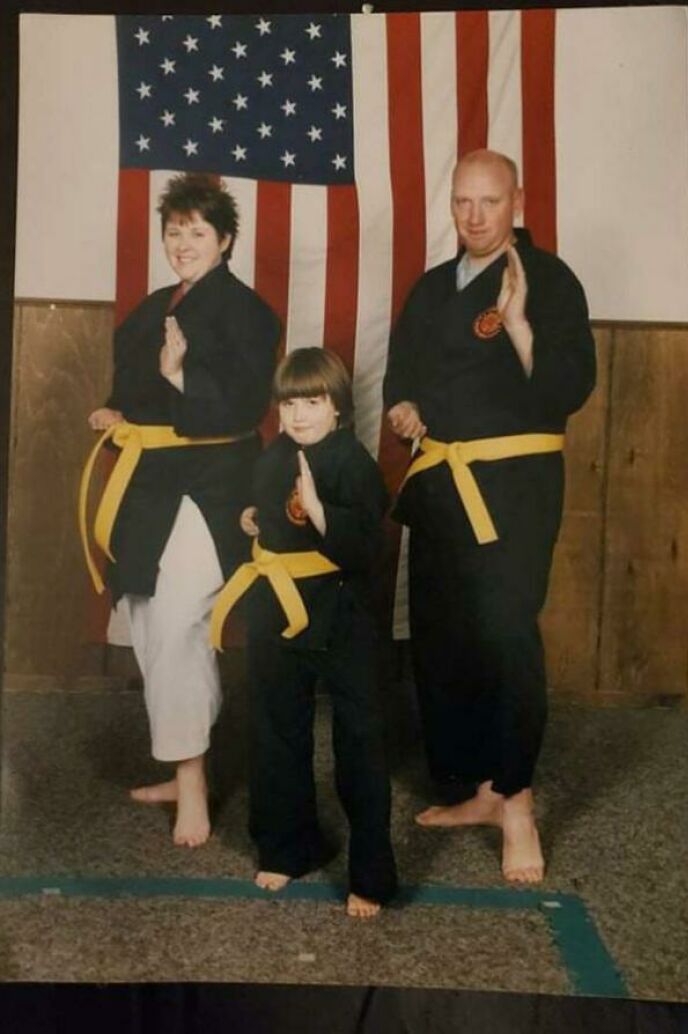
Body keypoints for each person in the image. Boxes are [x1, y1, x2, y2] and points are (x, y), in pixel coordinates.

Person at [383, 149, 596, 883]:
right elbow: (404, 374)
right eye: (462, 202)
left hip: (515, 484)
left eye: (490, 202)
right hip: (441, 476)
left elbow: (571, 387)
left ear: (518, 201)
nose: (474, 217)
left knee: (505, 633)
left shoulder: (551, 281)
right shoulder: (433, 288)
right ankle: (475, 786)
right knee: (442, 633)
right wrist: (405, 409)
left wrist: (518, 327)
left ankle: (517, 801)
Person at [82, 173, 280, 848]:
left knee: (175, 615)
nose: (184, 243)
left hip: (214, 483)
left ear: (225, 240)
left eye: (199, 232)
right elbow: (130, 384)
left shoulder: (249, 312)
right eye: (174, 232)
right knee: (143, 613)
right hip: (150, 478)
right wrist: (118, 408)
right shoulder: (153, 306)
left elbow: (246, 405)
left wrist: (180, 378)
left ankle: (192, 780)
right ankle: (181, 757)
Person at [210, 348, 398, 917]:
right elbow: (270, 518)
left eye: (312, 402)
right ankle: (287, 847)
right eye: (289, 403)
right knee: (276, 728)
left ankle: (370, 874)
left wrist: (321, 514)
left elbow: (367, 547)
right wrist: (253, 519)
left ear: (337, 408)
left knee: (359, 741)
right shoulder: (274, 457)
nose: (298, 415)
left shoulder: (355, 463)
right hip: (277, 607)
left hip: (343, 614)